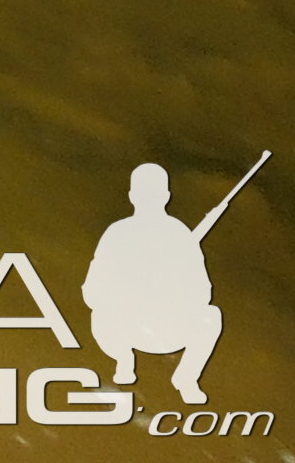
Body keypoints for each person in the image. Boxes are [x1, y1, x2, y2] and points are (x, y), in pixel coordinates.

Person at [85, 163, 226, 405]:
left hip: (168, 328)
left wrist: (169, 290)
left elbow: (203, 292)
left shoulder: (179, 235)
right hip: (125, 326)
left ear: (132, 196)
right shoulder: (118, 233)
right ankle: (123, 359)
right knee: (100, 313)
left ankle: (186, 378)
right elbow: (93, 291)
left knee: (211, 316)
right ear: (166, 196)